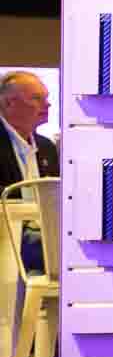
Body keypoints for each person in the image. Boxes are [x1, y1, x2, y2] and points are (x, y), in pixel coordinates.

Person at [0, 72, 58, 274]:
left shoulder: (47, 147)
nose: (47, 105)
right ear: (9, 103)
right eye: (36, 98)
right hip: (8, 234)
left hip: (42, 231)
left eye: (46, 98)